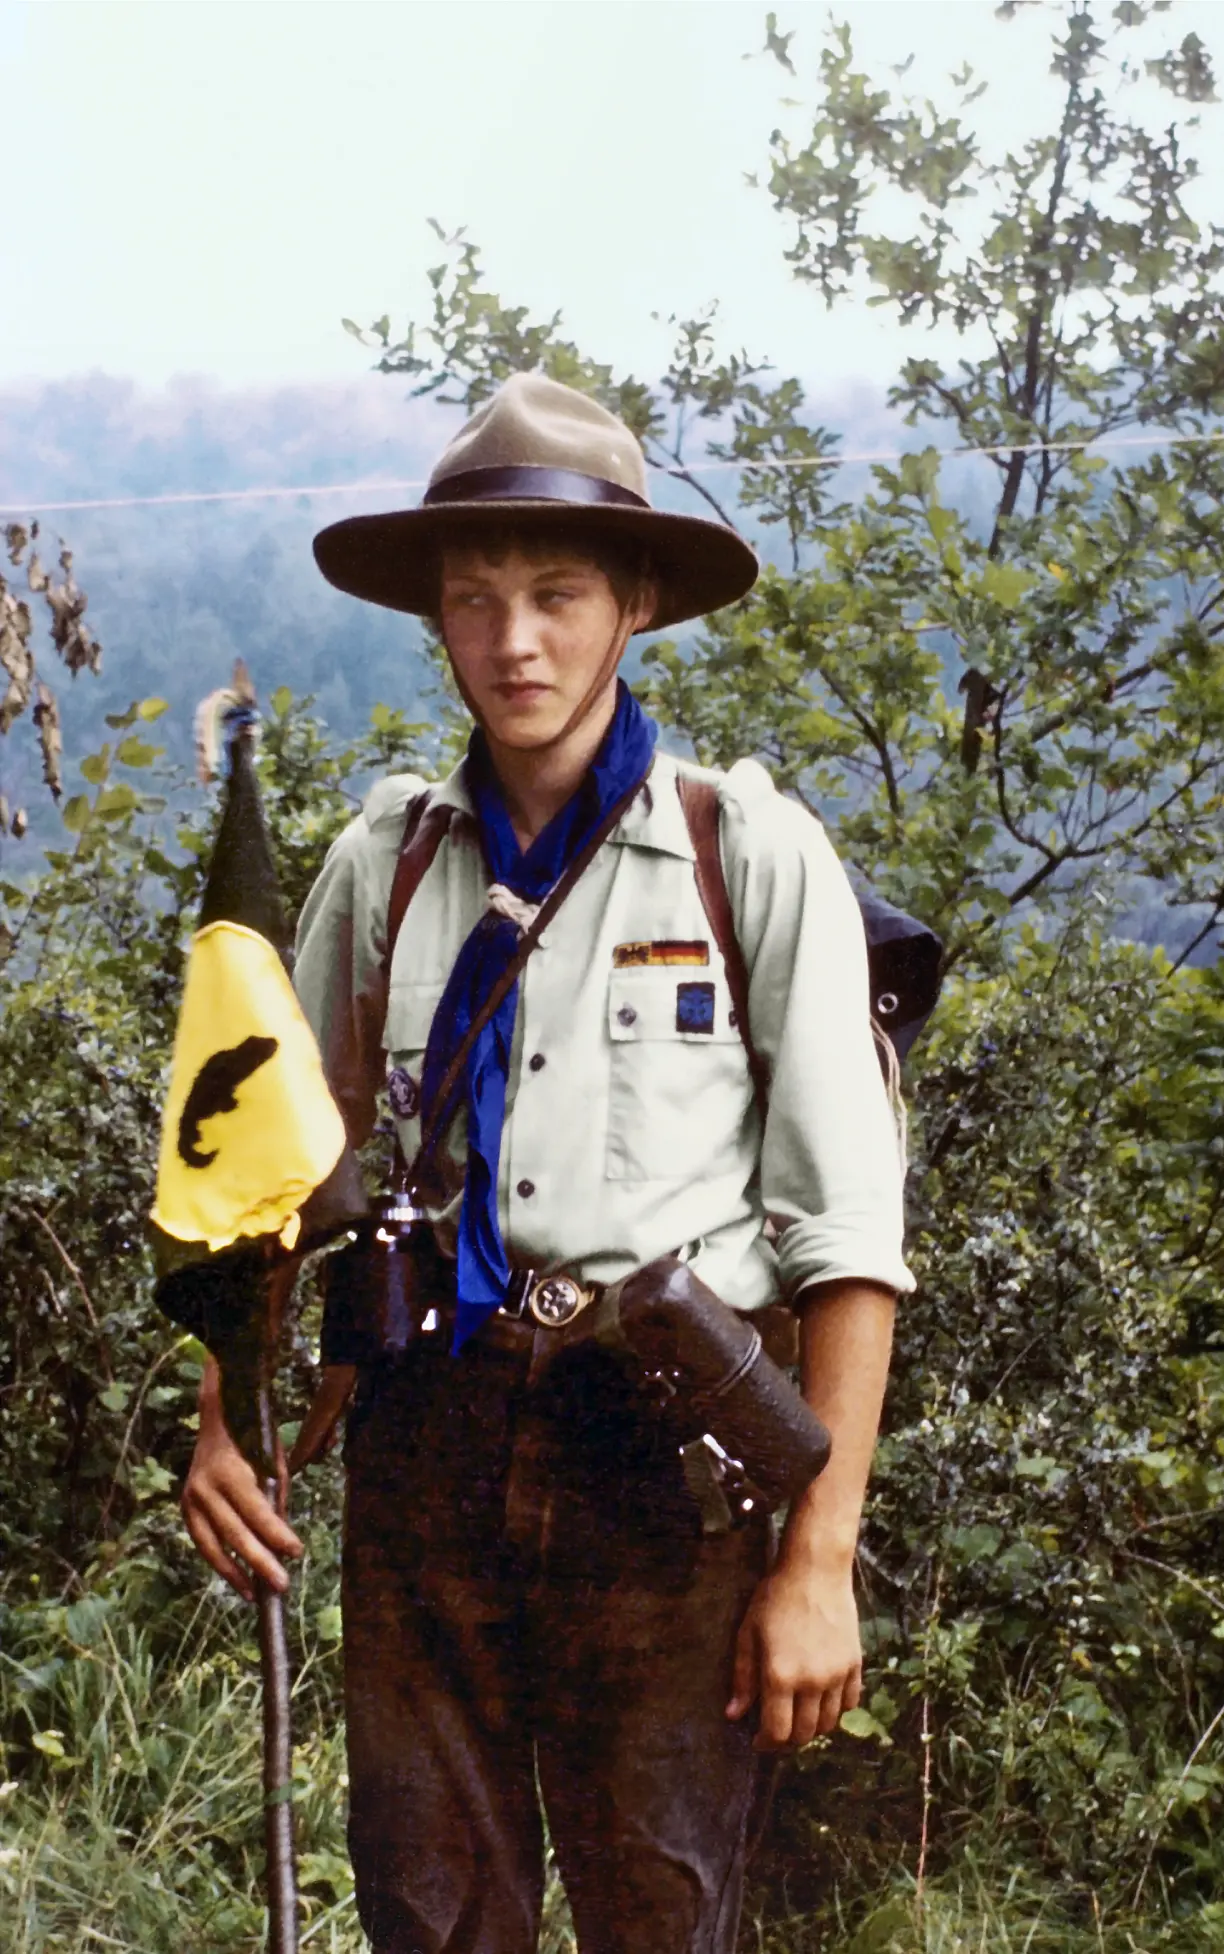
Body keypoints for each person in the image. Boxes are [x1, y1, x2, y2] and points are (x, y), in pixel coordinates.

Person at [180, 371, 913, 1954]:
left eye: (558, 594)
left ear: (635, 602)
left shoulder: (747, 853)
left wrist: (821, 1558)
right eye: (475, 600)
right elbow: (269, 1166)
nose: (515, 641)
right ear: (438, 621)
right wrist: (226, 1415)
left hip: (664, 1457)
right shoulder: (390, 864)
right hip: (429, 1444)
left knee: (664, 1909)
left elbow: (848, 1238)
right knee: (434, 1914)